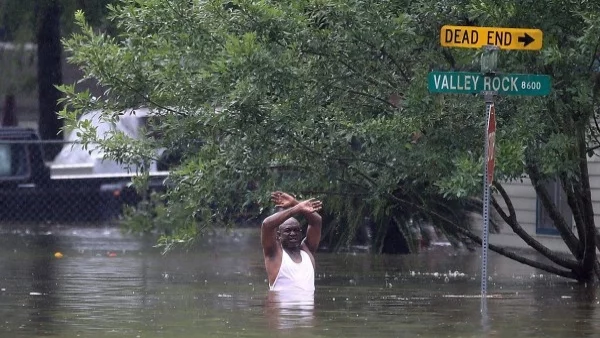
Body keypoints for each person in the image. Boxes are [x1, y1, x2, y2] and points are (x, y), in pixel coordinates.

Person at [261, 191, 322, 292]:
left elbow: (317, 221)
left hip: (307, 308)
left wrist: (295, 202)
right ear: (278, 235)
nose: (293, 233)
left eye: (296, 230)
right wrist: (297, 208)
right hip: (282, 308)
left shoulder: (307, 251)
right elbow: (266, 225)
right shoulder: (274, 253)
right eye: (288, 230)